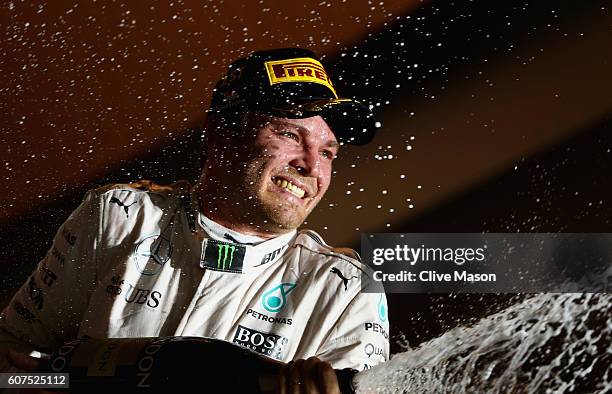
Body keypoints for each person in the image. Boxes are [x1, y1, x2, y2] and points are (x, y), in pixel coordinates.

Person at [0, 48, 389, 393]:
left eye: (328, 153)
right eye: (289, 133)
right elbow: (11, 363)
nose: (310, 165)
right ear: (222, 133)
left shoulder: (349, 289)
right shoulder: (120, 215)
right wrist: (47, 386)